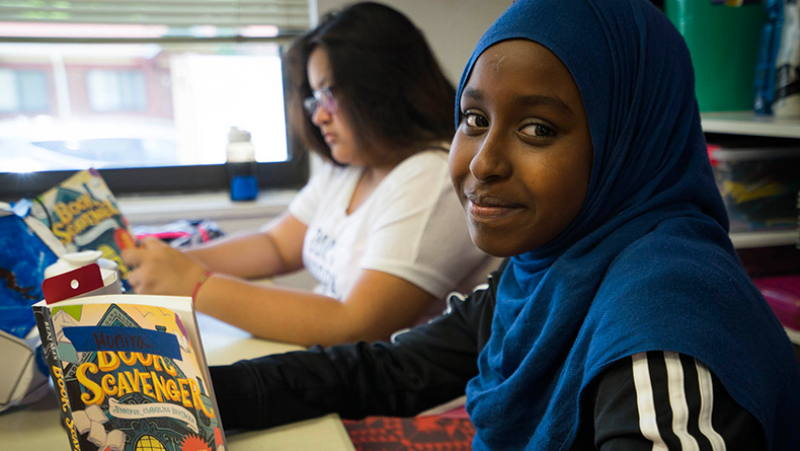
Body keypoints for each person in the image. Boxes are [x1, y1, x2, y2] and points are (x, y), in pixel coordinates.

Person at [208, 0, 800, 449]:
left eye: (538, 129)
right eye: (473, 118)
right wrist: (202, 392)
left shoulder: (662, 327)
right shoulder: (551, 267)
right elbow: (391, 369)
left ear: (627, 141)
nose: (483, 163)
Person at [121, 2, 497, 347]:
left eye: (328, 96)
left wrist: (194, 284)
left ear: (380, 88)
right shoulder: (353, 167)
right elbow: (275, 245)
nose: (318, 116)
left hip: (396, 396)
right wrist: (169, 261)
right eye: (315, 99)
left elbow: (356, 325)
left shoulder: (432, 177)